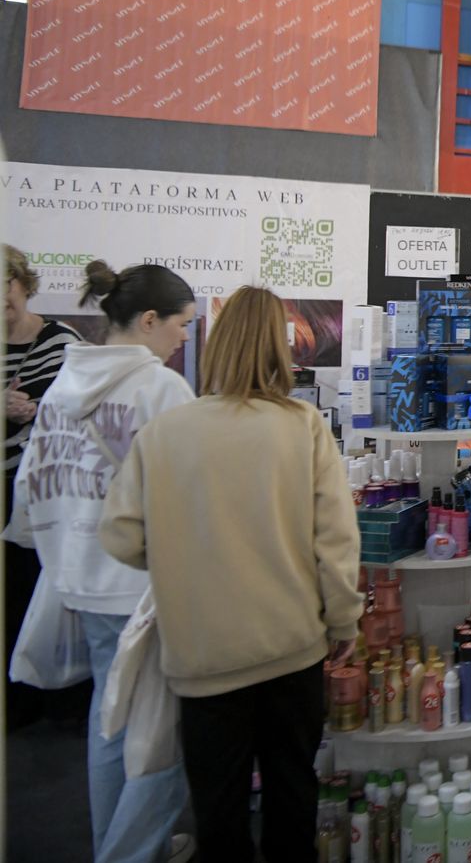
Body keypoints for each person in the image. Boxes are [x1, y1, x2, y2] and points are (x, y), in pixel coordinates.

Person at [101, 287, 362, 862]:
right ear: (281, 345)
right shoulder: (303, 426)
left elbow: (120, 535)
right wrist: (344, 622)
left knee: (218, 812)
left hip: (201, 659)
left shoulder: (165, 434)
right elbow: (336, 544)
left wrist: (181, 554)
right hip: (291, 650)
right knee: (292, 800)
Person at [9, 260, 196, 863]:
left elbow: (32, 489)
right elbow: (185, 494)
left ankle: (113, 843)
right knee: (160, 738)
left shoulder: (65, 384)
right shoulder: (161, 389)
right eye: (181, 324)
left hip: (79, 580)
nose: (185, 338)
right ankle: (128, 852)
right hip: (143, 588)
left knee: (111, 724)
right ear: (148, 321)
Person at [4, 244, 83, 729]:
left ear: (23, 285)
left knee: (25, 590)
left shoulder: (62, 343)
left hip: (33, 490)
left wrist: (43, 414)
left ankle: (29, 699)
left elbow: (77, 413)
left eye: (4, 285)